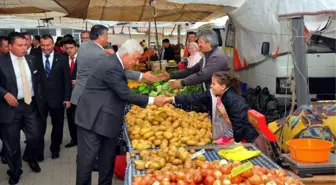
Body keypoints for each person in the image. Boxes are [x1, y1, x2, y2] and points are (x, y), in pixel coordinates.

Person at [75, 39, 167, 185]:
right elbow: (126, 94)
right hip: (92, 120)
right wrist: (153, 100)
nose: (137, 63)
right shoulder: (110, 65)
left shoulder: (115, 62)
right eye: (136, 59)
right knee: (87, 163)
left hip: (108, 120)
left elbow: (124, 73)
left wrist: (142, 77)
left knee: (107, 162)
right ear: (126, 55)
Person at [164, 71, 269, 154]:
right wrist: (172, 99)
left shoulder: (233, 99)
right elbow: (194, 97)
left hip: (250, 138)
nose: (211, 86)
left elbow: (239, 121)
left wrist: (237, 142)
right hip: (238, 134)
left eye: (213, 84)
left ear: (223, 86)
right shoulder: (219, 94)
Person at [71, 25, 159, 108]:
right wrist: (142, 75)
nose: (107, 38)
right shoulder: (100, 55)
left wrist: (104, 51)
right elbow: (116, 69)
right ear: (100, 37)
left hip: (79, 92)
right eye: (106, 35)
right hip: (89, 97)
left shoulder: (84, 46)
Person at [0, 32, 43, 184]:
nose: (24, 48)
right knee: (12, 144)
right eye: (20, 46)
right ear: (10, 46)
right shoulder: (1, 61)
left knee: (35, 137)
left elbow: (37, 81)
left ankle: (30, 157)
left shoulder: (32, 59)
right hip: (9, 108)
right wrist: (4, 94)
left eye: (26, 45)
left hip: (29, 105)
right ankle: (15, 171)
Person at [34, 34, 72, 160]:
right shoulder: (34, 57)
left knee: (58, 125)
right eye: (43, 45)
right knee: (40, 127)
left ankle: (55, 148)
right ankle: (38, 151)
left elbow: (67, 80)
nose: (45, 48)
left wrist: (67, 98)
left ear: (53, 44)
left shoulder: (62, 58)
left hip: (57, 99)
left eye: (48, 45)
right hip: (39, 100)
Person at [159, 29, 229, 91]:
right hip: (211, 92)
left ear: (209, 43)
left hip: (220, 97)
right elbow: (191, 70)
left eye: (200, 42)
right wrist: (171, 75)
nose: (198, 45)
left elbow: (203, 75)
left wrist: (182, 83)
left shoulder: (217, 57)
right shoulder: (206, 56)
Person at [64, 39, 79, 148]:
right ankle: (74, 139)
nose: (69, 50)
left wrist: (79, 81)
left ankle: (82, 139)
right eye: (67, 48)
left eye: (71, 48)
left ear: (76, 47)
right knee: (70, 117)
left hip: (82, 93)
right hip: (68, 94)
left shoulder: (83, 59)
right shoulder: (63, 60)